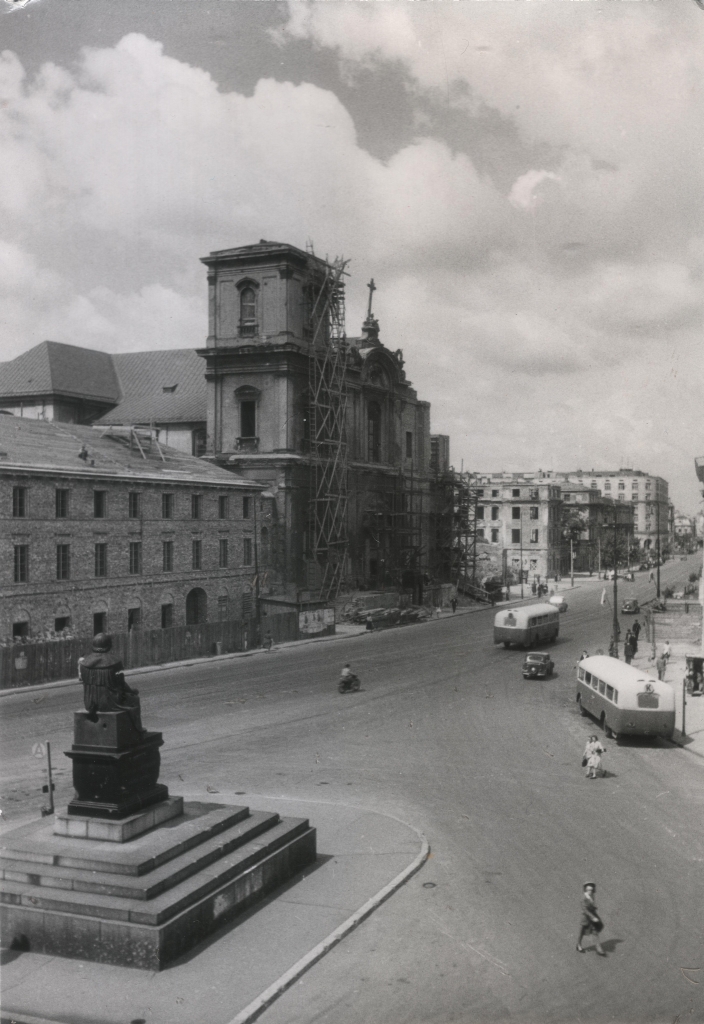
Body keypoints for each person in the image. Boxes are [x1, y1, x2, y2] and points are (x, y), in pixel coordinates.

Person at [79, 633, 145, 735]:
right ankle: (137, 730)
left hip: (90, 703)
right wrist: (132, 691)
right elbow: (121, 684)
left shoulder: (84, 664)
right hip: (109, 703)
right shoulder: (114, 662)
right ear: (108, 645)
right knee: (134, 700)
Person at [577, 883, 606, 955]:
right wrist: (593, 917)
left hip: (592, 918)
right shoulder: (583, 899)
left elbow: (592, 904)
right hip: (586, 919)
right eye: (589, 890)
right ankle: (578, 945)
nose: (591, 891)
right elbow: (585, 910)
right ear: (586, 890)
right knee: (581, 933)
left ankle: (599, 949)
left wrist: (594, 908)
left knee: (595, 932)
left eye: (591, 890)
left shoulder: (592, 895)